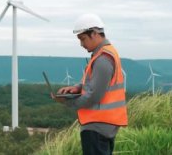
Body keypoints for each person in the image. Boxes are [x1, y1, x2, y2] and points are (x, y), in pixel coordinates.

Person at [53, 14, 128, 155]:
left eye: (83, 39)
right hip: (104, 125)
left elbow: (93, 96)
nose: (81, 44)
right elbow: (96, 84)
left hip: (97, 126)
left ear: (94, 33)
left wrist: (67, 102)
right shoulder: (104, 54)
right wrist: (78, 87)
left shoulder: (103, 59)